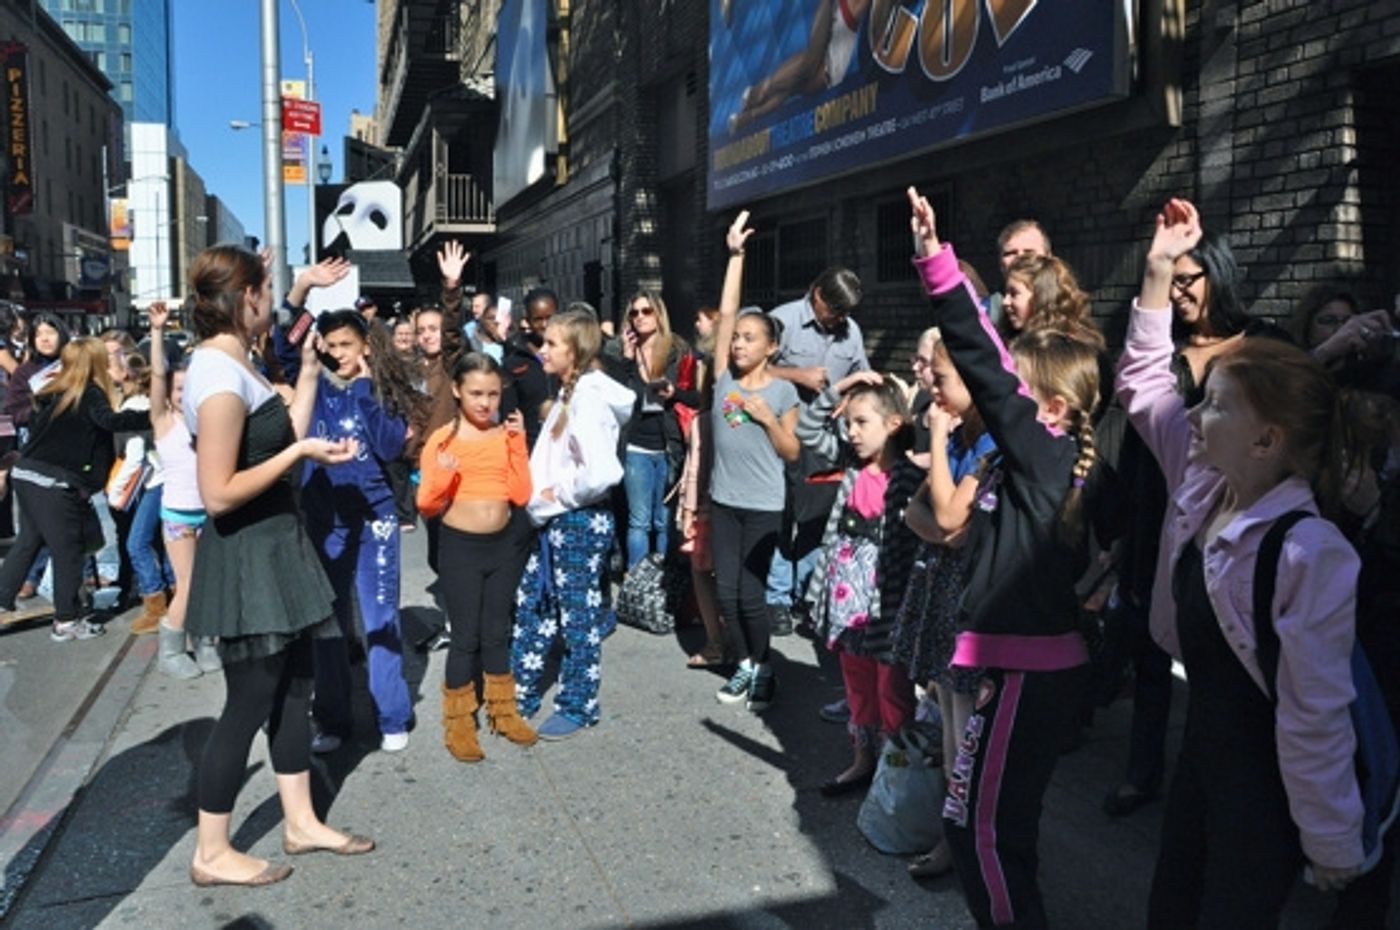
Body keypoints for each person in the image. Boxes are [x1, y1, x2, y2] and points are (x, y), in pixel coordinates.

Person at [1118, 197, 1364, 927]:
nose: (1194, 416)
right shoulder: (1200, 479)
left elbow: (1315, 717)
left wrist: (1330, 841)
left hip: (1265, 795)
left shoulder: (1310, 552)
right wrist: (1159, 267)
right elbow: (1142, 385)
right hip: (1201, 758)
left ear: (1267, 442)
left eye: (1218, 405)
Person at [909, 186, 1099, 930]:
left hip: (1027, 668)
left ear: (1049, 408)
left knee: (978, 830)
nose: (1006, 394)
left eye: (1023, 389)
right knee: (986, 826)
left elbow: (984, 363)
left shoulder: (1046, 453)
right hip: (1010, 666)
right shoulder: (1031, 465)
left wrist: (937, 265)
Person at [183, 245, 371, 887]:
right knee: (249, 702)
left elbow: (283, 431)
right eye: (267, 290)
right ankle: (211, 850)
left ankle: (301, 822)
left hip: (277, 549)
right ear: (247, 299)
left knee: (296, 691)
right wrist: (300, 458)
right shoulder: (215, 373)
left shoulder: (241, 363)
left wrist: (312, 373)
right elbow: (218, 491)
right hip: (246, 558)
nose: (273, 301)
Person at [896, 331, 998, 878]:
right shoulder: (962, 436)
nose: (931, 384)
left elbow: (952, 524)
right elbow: (917, 513)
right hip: (940, 590)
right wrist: (936, 519)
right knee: (949, 726)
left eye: (943, 376)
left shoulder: (984, 443)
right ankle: (953, 835)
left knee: (966, 737)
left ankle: (964, 842)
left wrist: (936, 441)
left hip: (968, 597)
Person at [797, 371, 924, 795]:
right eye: (849, 423)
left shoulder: (907, 476)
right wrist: (842, 388)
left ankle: (894, 770)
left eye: (861, 422)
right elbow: (807, 427)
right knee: (858, 688)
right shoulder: (853, 467)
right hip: (846, 601)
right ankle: (862, 759)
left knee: (892, 690)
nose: (851, 432)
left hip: (886, 604)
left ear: (892, 425)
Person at [512, 310, 634, 739]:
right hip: (559, 522)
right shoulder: (572, 393)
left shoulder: (588, 399)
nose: (542, 350)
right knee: (536, 604)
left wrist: (557, 493)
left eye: (551, 344)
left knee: (576, 617)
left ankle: (580, 703)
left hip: (577, 521)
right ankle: (520, 692)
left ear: (575, 351)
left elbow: (601, 472)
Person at [302, 308, 418, 755]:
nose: (337, 354)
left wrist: (366, 389)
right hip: (325, 521)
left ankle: (391, 713)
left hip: (375, 522)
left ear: (366, 347)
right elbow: (282, 341)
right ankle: (331, 717)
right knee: (329, 624)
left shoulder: (379, 392)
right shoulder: (312, 389)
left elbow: (391, 446)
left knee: (380, 619)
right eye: (329, 346)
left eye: (345, 345)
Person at [418, 352, 536, 761]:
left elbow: (521, 495)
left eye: (493, 393)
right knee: (465, 637)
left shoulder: (506, 436)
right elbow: (426, 504)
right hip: (460, 549)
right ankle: (459, 723)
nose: (485, 402)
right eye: (476, 394)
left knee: (497, 631)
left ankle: (504, 713)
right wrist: (445, 475)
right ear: (457, 391)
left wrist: (519, 443)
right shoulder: (442, 440)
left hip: (504, 547)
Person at [709, 212, 801, 710]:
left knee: (749, 593)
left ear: (771, 346)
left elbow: (792, 452)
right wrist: (736, 258)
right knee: (726, 593)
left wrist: (767, 418)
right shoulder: (724, 379)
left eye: (750, 338)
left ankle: (765, 668)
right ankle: (745, 663)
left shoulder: (784, 391)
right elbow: (725, 316)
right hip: (723, 501)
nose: (740, 342)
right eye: (738, 338)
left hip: (764, 505)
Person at [0, 337, 150, 636]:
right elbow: (110, 421)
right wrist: (154, 414)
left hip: (28, 475)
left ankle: (2, 600)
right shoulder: (89, 393)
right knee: (68, 548)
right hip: (54, 482)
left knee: (29, 541)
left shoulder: (56, 392)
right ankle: (66, 621)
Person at [765, 264, 869, 636]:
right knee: (784, 513)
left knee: (818, 516)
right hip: (784, 433)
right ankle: (776, 597)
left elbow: (862, 375)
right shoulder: (783, 320)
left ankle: (805, 594)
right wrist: (798, 375)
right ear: (818, 295)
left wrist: (851, 398)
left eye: (846, 314)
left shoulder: (851, 331)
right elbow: (748, 371)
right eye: (835, 310)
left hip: (828, 437)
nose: (841, 319)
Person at [607, 291, 698, 568]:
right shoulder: (618, 351)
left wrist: (675, 394)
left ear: (659, 314)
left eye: (646, 311)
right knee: (639, 521)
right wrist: (625, 359)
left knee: (664, 520)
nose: (640, 318)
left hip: (670, 444)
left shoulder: (678, 351)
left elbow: (696, 397)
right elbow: (614, 397)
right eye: (634, 313)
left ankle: (663, 581)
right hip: (635, 444)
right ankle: (637, 579)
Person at [146, 303, 212, 680]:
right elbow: (158, 374)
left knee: (208, 584)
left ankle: (205, 642)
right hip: (178, 516)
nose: (184, 393)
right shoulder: (164, 421)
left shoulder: (208, 419)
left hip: (210, 512)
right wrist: (157, 332)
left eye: (191, 388)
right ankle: (170, 649)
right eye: (179, 388)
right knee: (187, 584)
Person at [727, 0, 871, 133]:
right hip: (835, 22)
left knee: (804, 70)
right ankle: (750, 113)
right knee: (794, 82)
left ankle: (757, 94)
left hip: (835, 55)